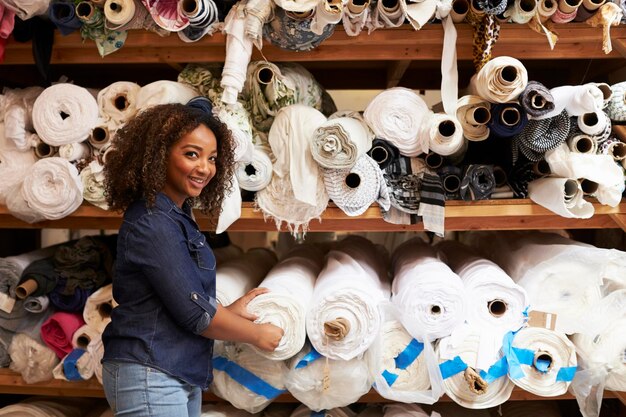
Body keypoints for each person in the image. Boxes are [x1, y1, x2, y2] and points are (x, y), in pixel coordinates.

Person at [101, 101, 284, 417]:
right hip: (150, 372)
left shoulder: (174, 216)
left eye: (212, 158)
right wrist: (258, 335)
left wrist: (228, 311)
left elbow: (176, 299)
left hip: (170, 368)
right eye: (191, 154)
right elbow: (193, 314)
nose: (205, 168)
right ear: (159, 156)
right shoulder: (153, 222)